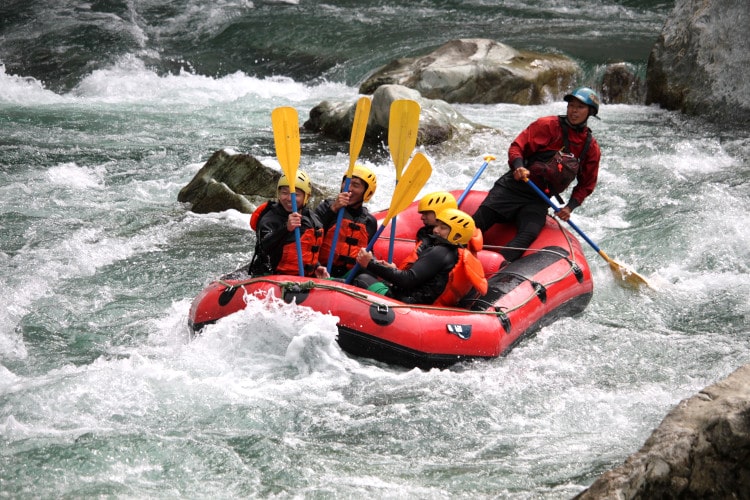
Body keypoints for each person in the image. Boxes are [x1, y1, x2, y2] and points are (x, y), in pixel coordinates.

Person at [472, 86, 602, 262]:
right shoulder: (548, 125)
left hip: (538, 199)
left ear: (590, 112)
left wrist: (569, 207)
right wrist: (518, 166)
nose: (573, 111)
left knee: (527, 235)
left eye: (580, 107)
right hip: (513, 188)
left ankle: (494, 266)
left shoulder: (590, 148)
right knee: (475, 223)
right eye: (571, 105)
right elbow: (517, 147)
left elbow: (587, 184)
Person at [353, 208, 487, 307]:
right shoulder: (456, 253)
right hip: (424, 305)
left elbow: (407, 280)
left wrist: (370, 263)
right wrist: (392, 269)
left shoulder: (440, 252)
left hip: (407, 305)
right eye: (437, 225)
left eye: (443, 228)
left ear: (458, 236)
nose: (435, 230)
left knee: (362, 278)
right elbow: (424, 279)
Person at [248, 170, 328, 277]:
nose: (289, 199)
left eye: (296, 194)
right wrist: (286, 228)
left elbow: (307, 250)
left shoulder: (312, 218)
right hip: (271, 276)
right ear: (278, 194)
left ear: (306, 197)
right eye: (284, 193)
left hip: (301, 278)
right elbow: (264, 247)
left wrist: (316, 266)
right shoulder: (269, 218)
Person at [314, 164, 378, 278]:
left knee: (366, 276)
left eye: (356, 185)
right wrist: (333, 209)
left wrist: (379, 265)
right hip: (322, 273)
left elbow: (368, 254)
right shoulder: (326, 207)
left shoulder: (370, 222)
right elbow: (310, 235)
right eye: (347, 182)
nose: (348, 188)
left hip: (350, 277)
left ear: (367, 192)